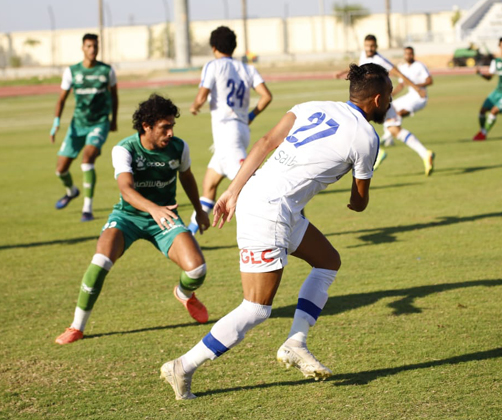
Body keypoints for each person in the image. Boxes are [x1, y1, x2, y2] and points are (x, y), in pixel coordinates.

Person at [160, 63, 391, 400]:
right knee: (256, 308)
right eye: (389, 97)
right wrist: (354, 191)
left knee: (327, 260)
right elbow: (358, 203)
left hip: (265, 196)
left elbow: (266, 142)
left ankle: (296, 342)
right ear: (377, 98)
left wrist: (233, 190)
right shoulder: (367, 137)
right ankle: (183, 366)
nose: (390, 103)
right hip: (270, 209)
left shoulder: (313, 106)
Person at [55, 94, 211, 345]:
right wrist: (153, 209)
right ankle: (77, 326)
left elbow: (187, 176)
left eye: (172, 126)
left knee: (197, 269)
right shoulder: (124, 148)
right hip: (128, 216)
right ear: (147, 126)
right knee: (100, 261)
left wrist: (199, 209)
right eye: (165, 127)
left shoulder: (179, 147)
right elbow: (126, 189)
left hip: (164, 218)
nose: (171, 132)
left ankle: (184, 294)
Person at [187, 26, 273, 235]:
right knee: (208, 187)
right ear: (234, 47)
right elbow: (266, 96)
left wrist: (195, 106)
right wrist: (250, 116)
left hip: (227, 135)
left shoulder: (213, 66)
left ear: (213, 47)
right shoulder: (247, 68)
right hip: (240, 131)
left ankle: (280, 224)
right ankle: (187, 236)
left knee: (252, 189)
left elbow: (201, 96)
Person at [335, 35, 433, 176]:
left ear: (376, 46)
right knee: (394, 130)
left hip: (376, 101)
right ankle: (425, 154)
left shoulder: (380, 60)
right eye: (367, 46)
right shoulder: (364, 55)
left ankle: (378, 152)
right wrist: (343, 72)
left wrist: (416, 88)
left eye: (372, 46)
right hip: (371, 100)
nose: (370, 48)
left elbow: (399, 74)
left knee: (354, 122)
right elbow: (358, 65)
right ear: (364, 46)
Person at [51, 33, 119, 222]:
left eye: (95, 46)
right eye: (89, 46)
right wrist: (56, 121)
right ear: (82, 48)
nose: (92, 50)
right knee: (61, 170)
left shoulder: (107, 71)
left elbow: (114, 96)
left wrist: (113, 119)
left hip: (99, 123)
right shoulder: (72, 72)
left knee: (87, 158)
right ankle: (71, 191)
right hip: (77, 124)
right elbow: (62, 99)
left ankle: (87, 209)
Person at [381, 46, 435, 176]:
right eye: (406, 54)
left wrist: (417, 86)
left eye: (410, 53)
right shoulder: (403, 68)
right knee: (387, 109)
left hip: (419, 97)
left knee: (397, 114)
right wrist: (390, 95)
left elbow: (430, 80)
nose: (408, 56)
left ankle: (385, 140)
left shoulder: (419, 66)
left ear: (413, 54)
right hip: (410, 95)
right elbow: (401, 85)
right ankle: (388, 137)